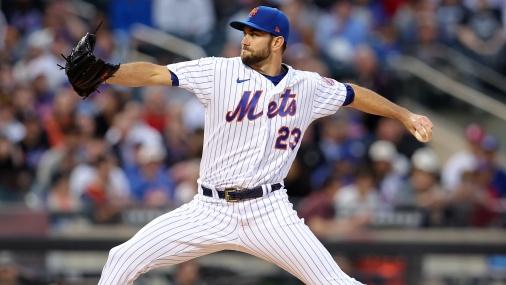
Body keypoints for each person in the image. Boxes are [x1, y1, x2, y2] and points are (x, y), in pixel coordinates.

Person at [95, 6, 433, 285]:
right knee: (122, 257)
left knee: (335, 282)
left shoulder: (307, 85)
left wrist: (404, 115)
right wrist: (106, 73)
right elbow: (155, 74)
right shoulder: (218, 71)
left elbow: (354, 94)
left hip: (269, 211)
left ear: (277, 42)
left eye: (255, 33)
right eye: (244, 32)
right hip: (208, 208)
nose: (245, 39)